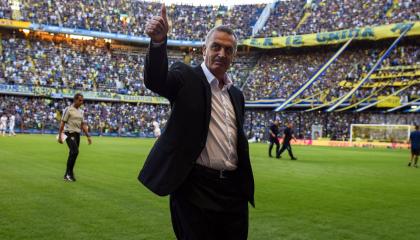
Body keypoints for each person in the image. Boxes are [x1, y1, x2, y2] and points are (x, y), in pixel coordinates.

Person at [138, 5, 254, 240]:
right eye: (216, 47)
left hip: (232, 193)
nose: (222, 53)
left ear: (234, 55)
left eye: (228, 49)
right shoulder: (185, 76)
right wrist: (159, 42)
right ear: (204, 50)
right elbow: (156, 80)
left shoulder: (237, 95)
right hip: (195, 190)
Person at [58, 93, 92, 181]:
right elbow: (62, 123)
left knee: (72, 153)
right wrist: (59, 136)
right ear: (75, 100)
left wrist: (88, 136)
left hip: (77, 134)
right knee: (75, 151)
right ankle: (70, 173)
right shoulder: (68, 109)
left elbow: (83, 125)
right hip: (68, 133)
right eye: (80, 100)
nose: (81, 102)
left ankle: (67, 174)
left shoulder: (81, 111)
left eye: (82, 100)